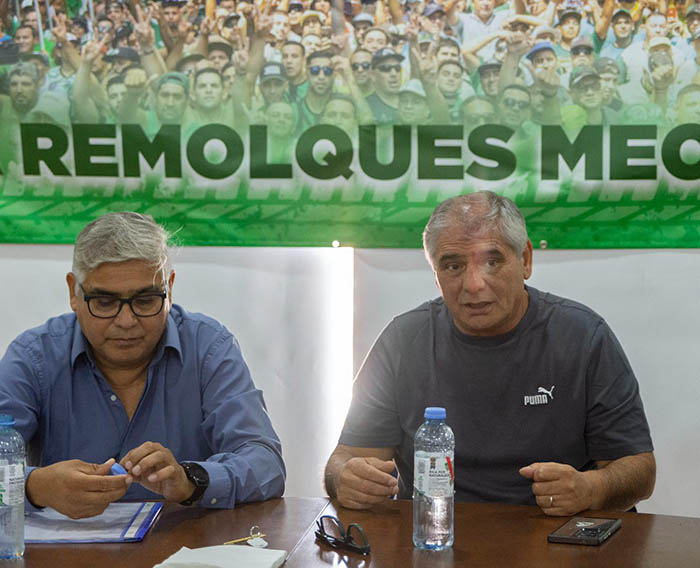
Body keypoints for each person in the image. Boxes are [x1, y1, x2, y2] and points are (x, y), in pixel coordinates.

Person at [324, 191, 655, 515]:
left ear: (525, 260)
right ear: (436, 275)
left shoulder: (583, 336)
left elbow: (639, 469)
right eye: (453, 266)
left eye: (492, 262)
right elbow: (345, 459)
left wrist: (591, 488)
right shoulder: (402, 340)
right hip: (436, 532)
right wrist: (347, 479)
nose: (474, 284)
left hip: (556, 533)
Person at [0, 212, 286, 519]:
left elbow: (265, 463)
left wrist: (191, 480)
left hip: (186, 545)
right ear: (74, 292)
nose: (126, 321)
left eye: (146, 300)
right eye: (105, 302)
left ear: (169, 288)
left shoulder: (208, 349)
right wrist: (34, 486)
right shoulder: (34, 357)